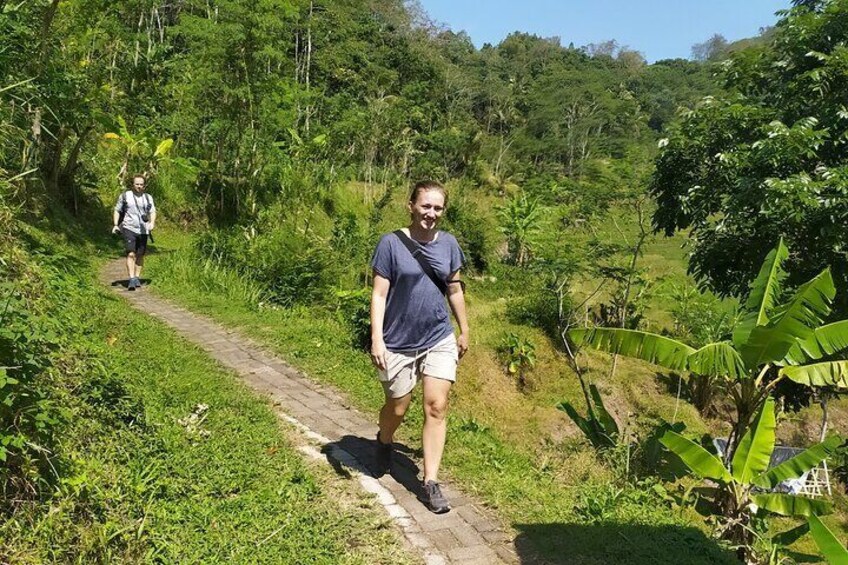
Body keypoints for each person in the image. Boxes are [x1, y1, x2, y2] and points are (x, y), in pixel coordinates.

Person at [369, 180, 469, 514]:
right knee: (397, 407)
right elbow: (379, 294)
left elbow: (454, 289)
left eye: (438, 208)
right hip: (397, 339)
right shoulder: (390, 244)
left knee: (436, 406)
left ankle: (430, 482)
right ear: (411, 205)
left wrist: (464, 329)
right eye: (425, 206)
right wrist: (377, 338)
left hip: (438, 336)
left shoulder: (449, 244)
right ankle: (384, 440)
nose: (431, 214)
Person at [112, 175, 156, 291]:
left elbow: (152, 212)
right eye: (137, 184)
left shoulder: (148, 198)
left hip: (143, 230)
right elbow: (117, 210)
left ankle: (137, 277)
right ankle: (131, 278)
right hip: (129, 227)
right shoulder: (125, 196)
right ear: (133, 184)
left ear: (144, 185)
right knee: (131, 253)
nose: (139, 186)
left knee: (140, 254)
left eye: (141, 184)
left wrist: (152, 223)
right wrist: (116, 224)